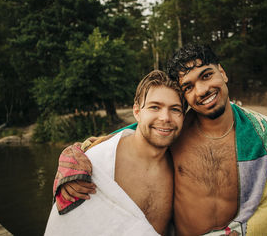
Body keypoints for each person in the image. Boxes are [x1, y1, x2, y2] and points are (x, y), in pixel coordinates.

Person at [56, 44, 267, 235]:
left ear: (222, 73)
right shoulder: (176, 129)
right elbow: (131, 133)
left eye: (206, 75)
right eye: (189, 86)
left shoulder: (261, 131)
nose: (202, 90)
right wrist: (74, 156)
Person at [45, 70, 186, 235]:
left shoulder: (181, 164)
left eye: (175, 109)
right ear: (137, 112)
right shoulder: (91, 162)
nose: (165, 118)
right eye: (155, 107)